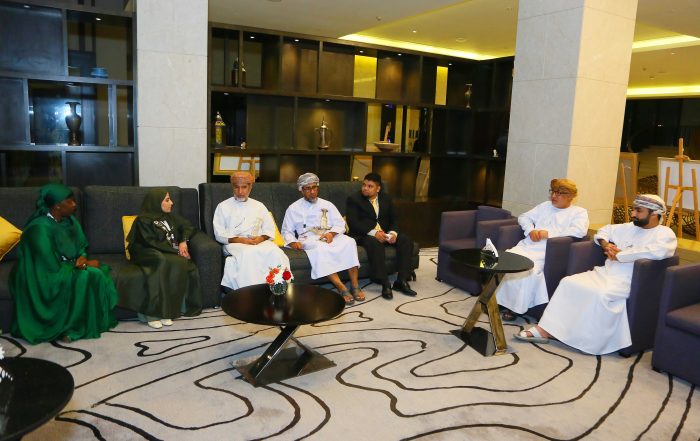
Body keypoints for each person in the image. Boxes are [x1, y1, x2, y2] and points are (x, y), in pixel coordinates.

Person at [515, 194, 677, 355]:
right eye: (633, 210)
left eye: (638, 211)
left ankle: (587, 341)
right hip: (605, 272)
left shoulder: (665, 234)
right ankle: (546, 329)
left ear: (654, 214)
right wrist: (606, 245)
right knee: (568, 282)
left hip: (630, 279)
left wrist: (620, 255)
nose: (633, 214)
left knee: (600, 293)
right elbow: (603, 231)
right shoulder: (628, 227)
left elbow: (659, 251)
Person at [9, 183, 118, 344]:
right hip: (40, 274)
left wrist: (82, 258)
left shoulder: (69, 221)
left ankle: (78, 326)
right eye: (70, 202)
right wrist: (84, 265)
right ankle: (69, 328)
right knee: (86, 277)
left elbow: (80, 247)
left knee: (96, 274)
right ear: (57, 206)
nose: (75, 205)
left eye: (74, 201)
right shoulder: (38, 229)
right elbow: (49, 265)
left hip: (64, 267)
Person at [496, 178, 589, 320]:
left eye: (558, 194)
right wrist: (530, 230)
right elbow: (524, 217)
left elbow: (579, 231)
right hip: (528, 245)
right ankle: (499, 300)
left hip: (548, 251)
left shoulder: (578, 212)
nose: (553, 196)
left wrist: (549, 234)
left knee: (526, 269)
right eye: (552, 192)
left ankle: (514, 307)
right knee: (507, 260)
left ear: (570, 196)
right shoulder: (545, 206)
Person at [122, 188, 202, 329]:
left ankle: (168, 311)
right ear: (156, 202)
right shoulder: (143, 220)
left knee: (183, 263)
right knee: (162, 262)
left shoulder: (170, 217)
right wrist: (176, 251)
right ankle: (152, 314)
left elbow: (187, 226)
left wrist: (183, 242)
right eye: (167, 200)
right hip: (146, 252)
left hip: (165, 251)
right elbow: (150, 242)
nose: (172, 203)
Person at [281, 173, 364, 305]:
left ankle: (355, 285)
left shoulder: (328, 204)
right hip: (309, 238)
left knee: (350, 241)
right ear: (301, 190)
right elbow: (286, 230)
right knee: (320, 248)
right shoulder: (293, 208)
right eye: (308, 188)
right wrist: (293, 242)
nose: (312, 191)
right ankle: (341, 287)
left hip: (329, 235)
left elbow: (340, 223)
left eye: (314, 187)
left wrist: (331, 234)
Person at [213, 171, 291, 290]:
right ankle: (250, 291)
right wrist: (242, 240)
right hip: (235, 243)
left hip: (258, 242)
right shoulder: (223, 206)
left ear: (250, 187)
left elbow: (269, 229)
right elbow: (219, 234)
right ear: (232, 186)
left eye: (244, 187)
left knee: (275, 252)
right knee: (248, 254)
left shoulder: (259, 206)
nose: (240, 191)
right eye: (236, 187)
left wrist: (260, 238)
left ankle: (278, 289)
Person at [346, 172, 416, 299]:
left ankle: (401, 280)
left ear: (378, 188)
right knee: (375, 242)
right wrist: (374, 233)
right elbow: (353, 223)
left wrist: (393, 233)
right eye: (364, 185)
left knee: (405, 240)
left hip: (385, 232)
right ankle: (385, 283)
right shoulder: (354, 199)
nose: (365, 188)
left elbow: (395, 219)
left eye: (370, 186)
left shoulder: (386, 198)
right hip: (363, 234)